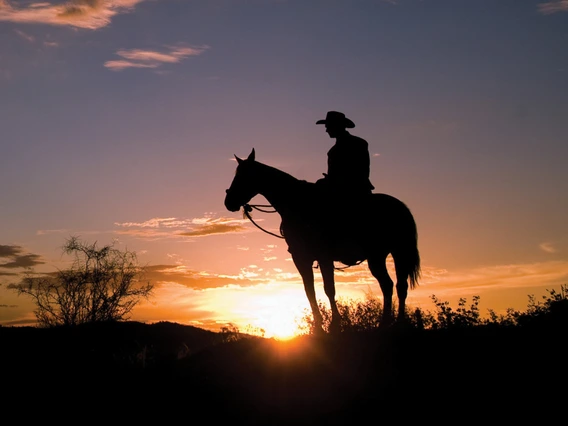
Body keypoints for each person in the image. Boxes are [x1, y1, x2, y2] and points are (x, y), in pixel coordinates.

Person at [315, 111, 375, 198]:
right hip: (337, 186)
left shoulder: (358, 143)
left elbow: (361, 170)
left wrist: (335, 180)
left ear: (337, 126)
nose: (326, 130)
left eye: (328, 127)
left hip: (355, 189)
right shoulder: (332, 151)